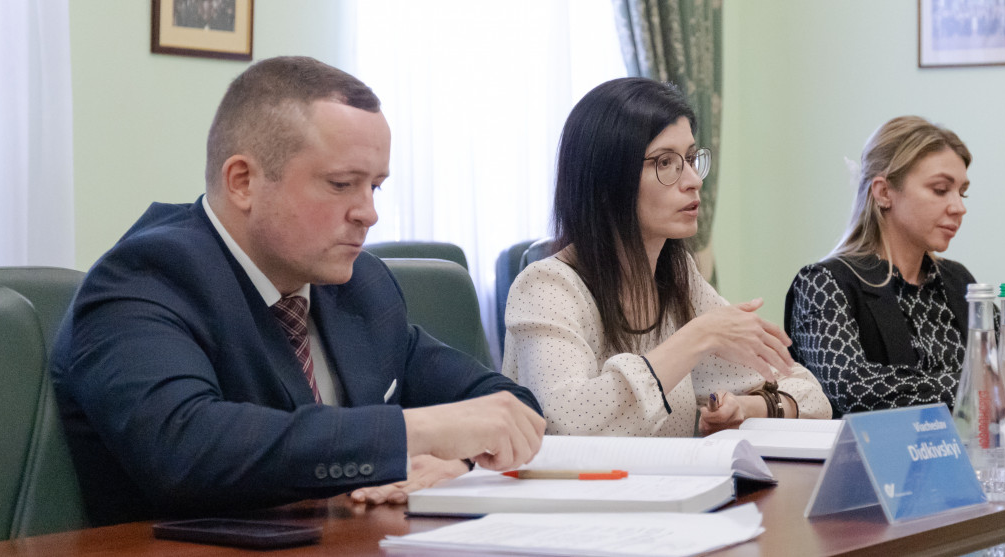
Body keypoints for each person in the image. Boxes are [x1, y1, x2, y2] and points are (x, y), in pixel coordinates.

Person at [52, 57, 545, 524]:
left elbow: (506, 406)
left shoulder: (361, 285)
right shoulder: (148, 277)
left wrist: (457, 459)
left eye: (375, 186)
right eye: (341, 184)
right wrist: (419, 432)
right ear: (243, 181)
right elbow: (186, 449)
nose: (368, 213)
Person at [503, 78, 830, 436]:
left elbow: (812, 397)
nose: (693, 181)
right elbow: (568, 422)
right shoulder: (546, 287)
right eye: (665, 162)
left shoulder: (677, 278)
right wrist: (697, 337)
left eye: (690, 159)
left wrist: (749, 408)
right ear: (606, 180)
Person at [784, 116, 1005, 415]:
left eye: (962, 192)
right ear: (883, 192)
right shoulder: (822, 284)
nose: (959, 207)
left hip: (970, 445)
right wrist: (991, 383)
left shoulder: (956, 279)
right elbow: (854, 390)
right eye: (940, 189)